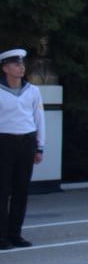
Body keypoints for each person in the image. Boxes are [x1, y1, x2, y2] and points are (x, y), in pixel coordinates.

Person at [0, 49, 44, 249]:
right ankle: (1, 236)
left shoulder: (32, 91)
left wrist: (39, 147)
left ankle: (15, 233)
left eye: (22, 64)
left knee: (21, 190)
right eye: (16, 64)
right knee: (2, 190)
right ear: (5, 68)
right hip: (4, 142)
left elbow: (39, 119)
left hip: (26, 141)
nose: (21, 67)